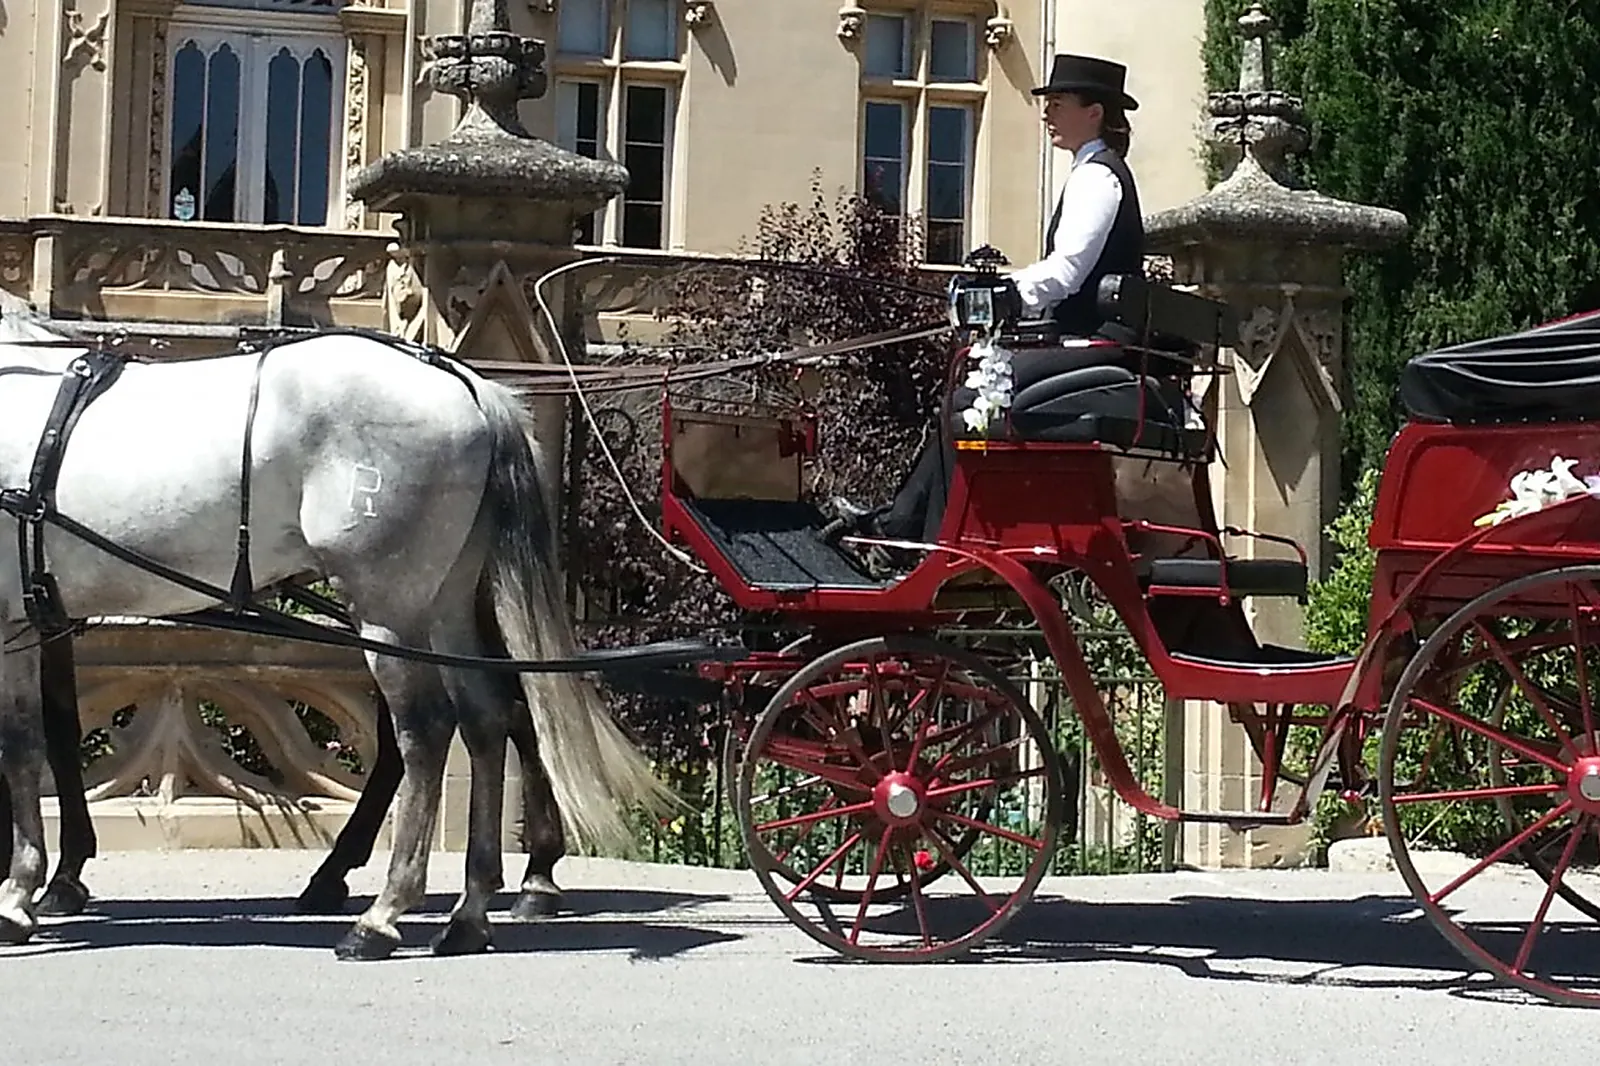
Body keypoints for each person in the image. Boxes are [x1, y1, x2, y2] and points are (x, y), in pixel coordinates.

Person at [829, 53, 1147, 548]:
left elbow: (1067, 271)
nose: (1047, 114)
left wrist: (1004, 296)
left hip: (1100, 345)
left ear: (1095, 113)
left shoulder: (1097, 177)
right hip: (1084, 338)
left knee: (969, 399)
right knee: (964, 393)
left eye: (1058, 104)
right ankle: (901, 526)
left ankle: (929, 540)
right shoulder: (1094, 171)